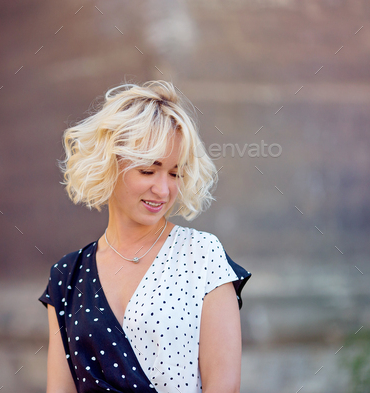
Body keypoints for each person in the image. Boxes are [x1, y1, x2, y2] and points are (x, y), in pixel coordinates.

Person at [38, 80, 252, 393]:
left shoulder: (202, 255)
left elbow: (224, 386)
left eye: (175, 173)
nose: (163, 190)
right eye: (148, 171)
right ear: (111, 162)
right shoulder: (67, 277)